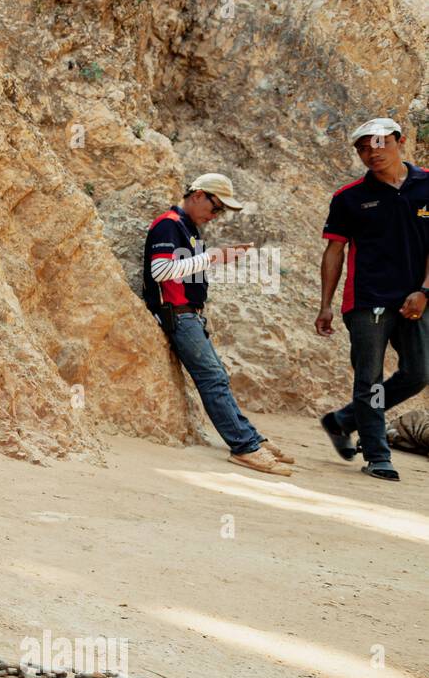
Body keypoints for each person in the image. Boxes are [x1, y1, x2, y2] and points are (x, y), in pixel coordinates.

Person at [142, 173, 296, 475]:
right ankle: (245, 446)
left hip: (189, 314)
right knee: (213, 378)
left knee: (217, 377)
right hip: (177, 313)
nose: (216, 215)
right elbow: (160, 270)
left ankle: (251, 438)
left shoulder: (188, 228)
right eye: (216, 207)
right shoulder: (169, 224)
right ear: (198, 195)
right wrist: (215, 257)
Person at [316, 117, 429, 482]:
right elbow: (335, 252)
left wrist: (425, 291)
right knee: (370, 379)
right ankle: (378, 455)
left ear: (399, 141)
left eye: (378, 143)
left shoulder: (428, 184)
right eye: (363, 148)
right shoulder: (349, 198)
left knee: (418, 373)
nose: (371, 152)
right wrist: (326, 304)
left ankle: (343, 420)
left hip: (416, 298)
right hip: (367, 299)